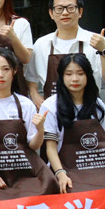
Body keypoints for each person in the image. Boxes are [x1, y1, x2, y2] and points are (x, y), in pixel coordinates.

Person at [0, 49, 58, 200]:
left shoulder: (25, 104)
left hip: (24, 169)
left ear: (15, 70)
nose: (0, 75)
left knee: (48, 188)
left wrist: (40, 130)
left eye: (5, 69)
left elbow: (33, 146)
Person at [26, 0, 105, 109]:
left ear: (80, 12)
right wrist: (34, 94)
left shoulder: (97, 41)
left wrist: (103, 51)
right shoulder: (41, 44)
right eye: (59, 9)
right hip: (53, 111)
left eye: (70, 8)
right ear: (51, 13)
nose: (65, 13)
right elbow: (31, 76)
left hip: (89, 110)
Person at [43, 54, 105, 194]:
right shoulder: (50, 106)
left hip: (98, 166)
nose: (75, 79)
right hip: (67, 169)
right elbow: (51, 147)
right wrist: (60, 173)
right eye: (69, 74)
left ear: (88, 76)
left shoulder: (98, 104)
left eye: (80, 73)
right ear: (61, 76)